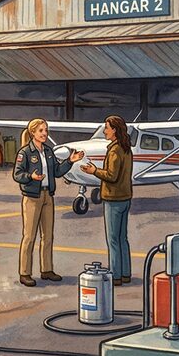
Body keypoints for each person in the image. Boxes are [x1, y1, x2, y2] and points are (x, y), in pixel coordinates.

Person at [12, 118, 85, 286]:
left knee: (48, 235)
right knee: (29, 236)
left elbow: (57, 171)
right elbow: (17, 174)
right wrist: (30, 177)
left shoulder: (48, 151)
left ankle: (47, 269)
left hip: (48, 196)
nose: (45, 133)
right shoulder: (25, 152)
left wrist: (70, 161)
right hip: (32, 197)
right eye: (41, 130)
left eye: (46, 130)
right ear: (32, 133)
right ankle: (25, 273)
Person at [80, 115, 134, 285]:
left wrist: (94, 171)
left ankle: (116, 276)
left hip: (113, 199)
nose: (104, 131)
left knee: (113, 240)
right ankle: (125, 274)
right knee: (122, 238)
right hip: (125, 198)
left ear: (114, 130)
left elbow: (111, 176)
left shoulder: (114, 151)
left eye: (107, 128)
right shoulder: (126, 148)